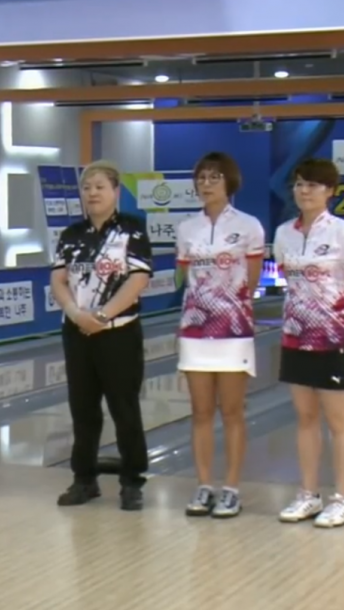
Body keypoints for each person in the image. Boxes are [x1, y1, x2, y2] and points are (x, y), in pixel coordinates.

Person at [50, 160, 153, 511]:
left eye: (99, 187)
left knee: (124, 408)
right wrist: (76, 313)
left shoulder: (132, 230)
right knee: (83, 409)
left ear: (115, 191)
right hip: (77, 331)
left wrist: (103, 315)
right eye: (87, 187)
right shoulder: (71, 235)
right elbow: (58, 280)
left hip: (119, 332)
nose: (92, 193)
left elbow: (138, 279)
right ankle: (84, 479)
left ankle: (132, 481)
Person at [273, 158, 344, 529]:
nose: (304, 191)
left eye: (312, 185)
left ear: (330, 191)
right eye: (299, 184)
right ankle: (308, 494)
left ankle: (342, 499)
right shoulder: (283, 233)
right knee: (305, 418)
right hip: (295, 337)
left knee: (338, 421)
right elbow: (290, 280)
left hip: (334, 340)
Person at [176, 152, 265, 519]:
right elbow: (185, 276)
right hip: (194, 330)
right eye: (201, 177)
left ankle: (231, 488)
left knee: (231, 412)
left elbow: (253, 280)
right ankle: (203, 485)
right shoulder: (186, 229)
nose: (206, 184)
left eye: (214, 177)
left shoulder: (249, 226)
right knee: (200, 412)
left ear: (230, 182)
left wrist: (228, 307)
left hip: (233, 330)